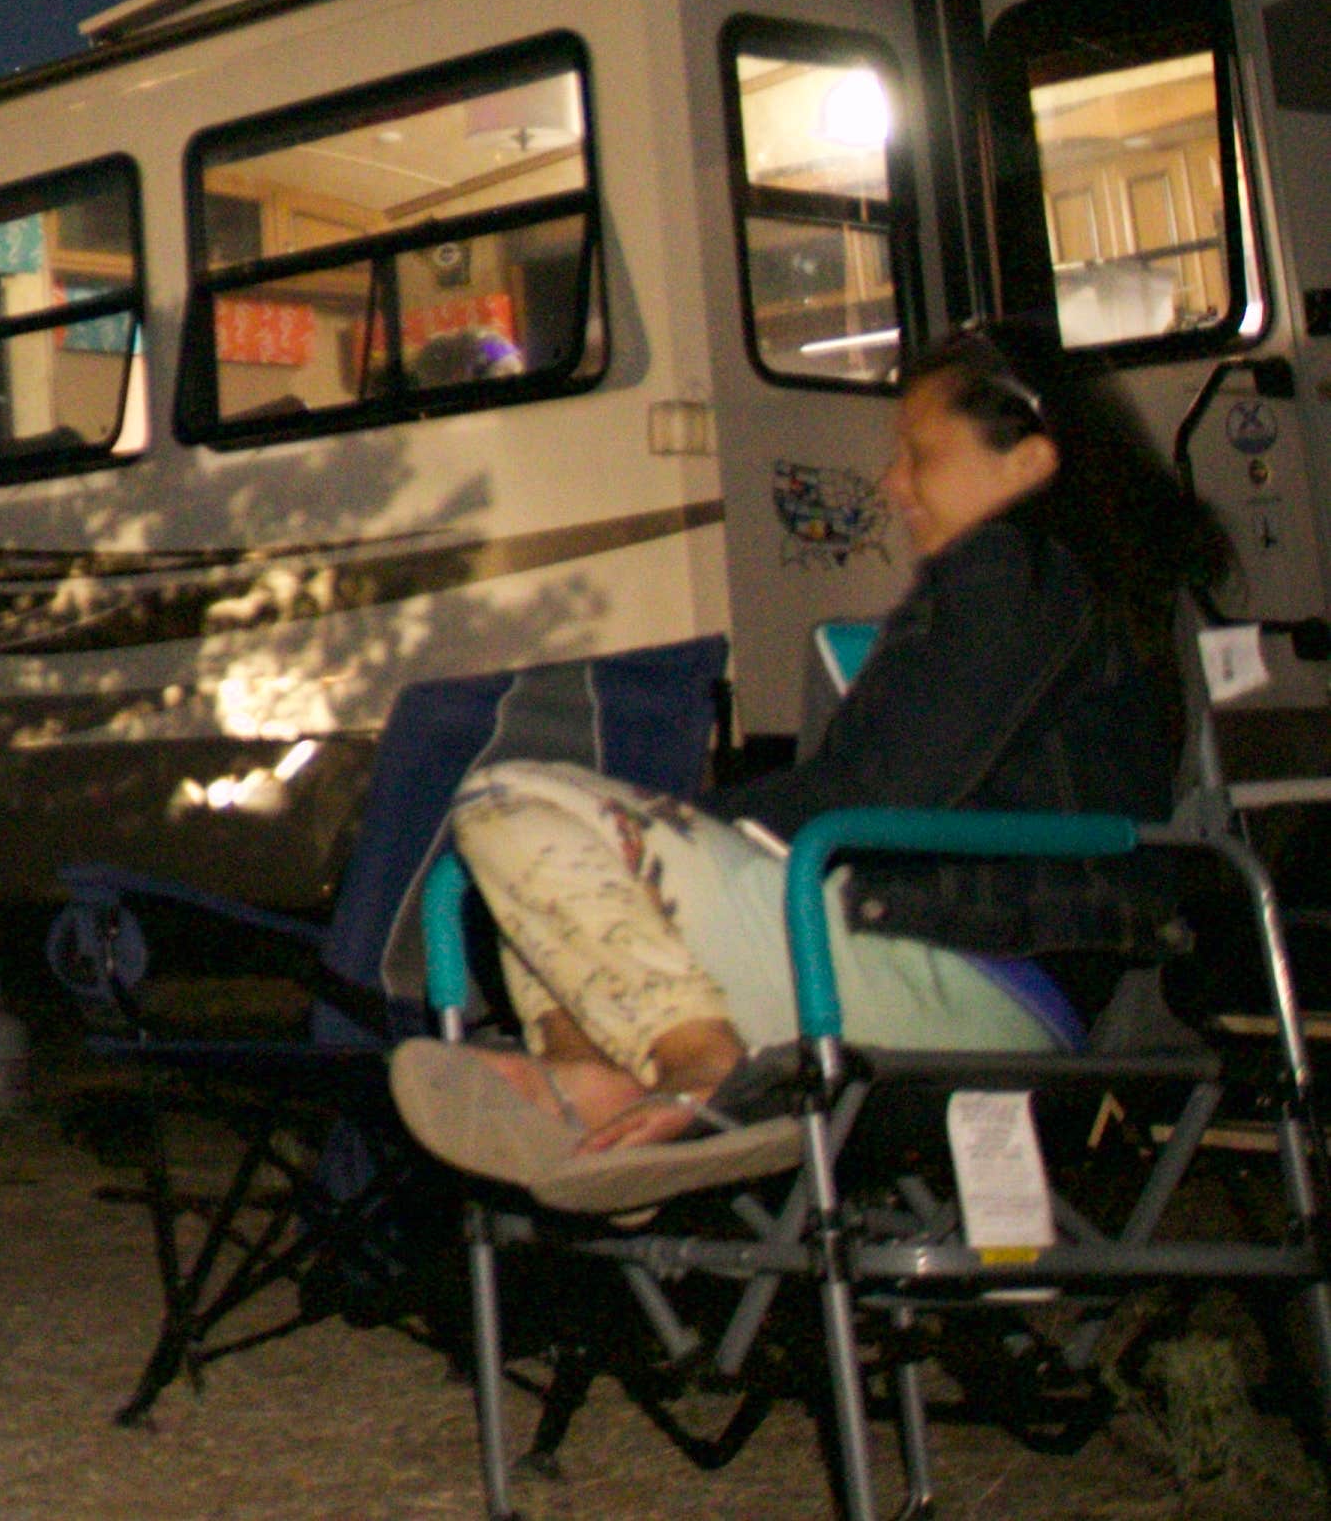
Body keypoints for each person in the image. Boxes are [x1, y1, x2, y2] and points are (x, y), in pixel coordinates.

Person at [393, 318, 1231, 1211]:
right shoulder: (1086, 595)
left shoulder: (1014, 568)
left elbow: (885, 792)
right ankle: (600, 1080)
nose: (892, 482)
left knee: (514, 800)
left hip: (969, 988)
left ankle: (668, 1067)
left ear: (1028, 462)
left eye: (921, 454)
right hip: (977, 977)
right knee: (560, 864)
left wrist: (664, 831)